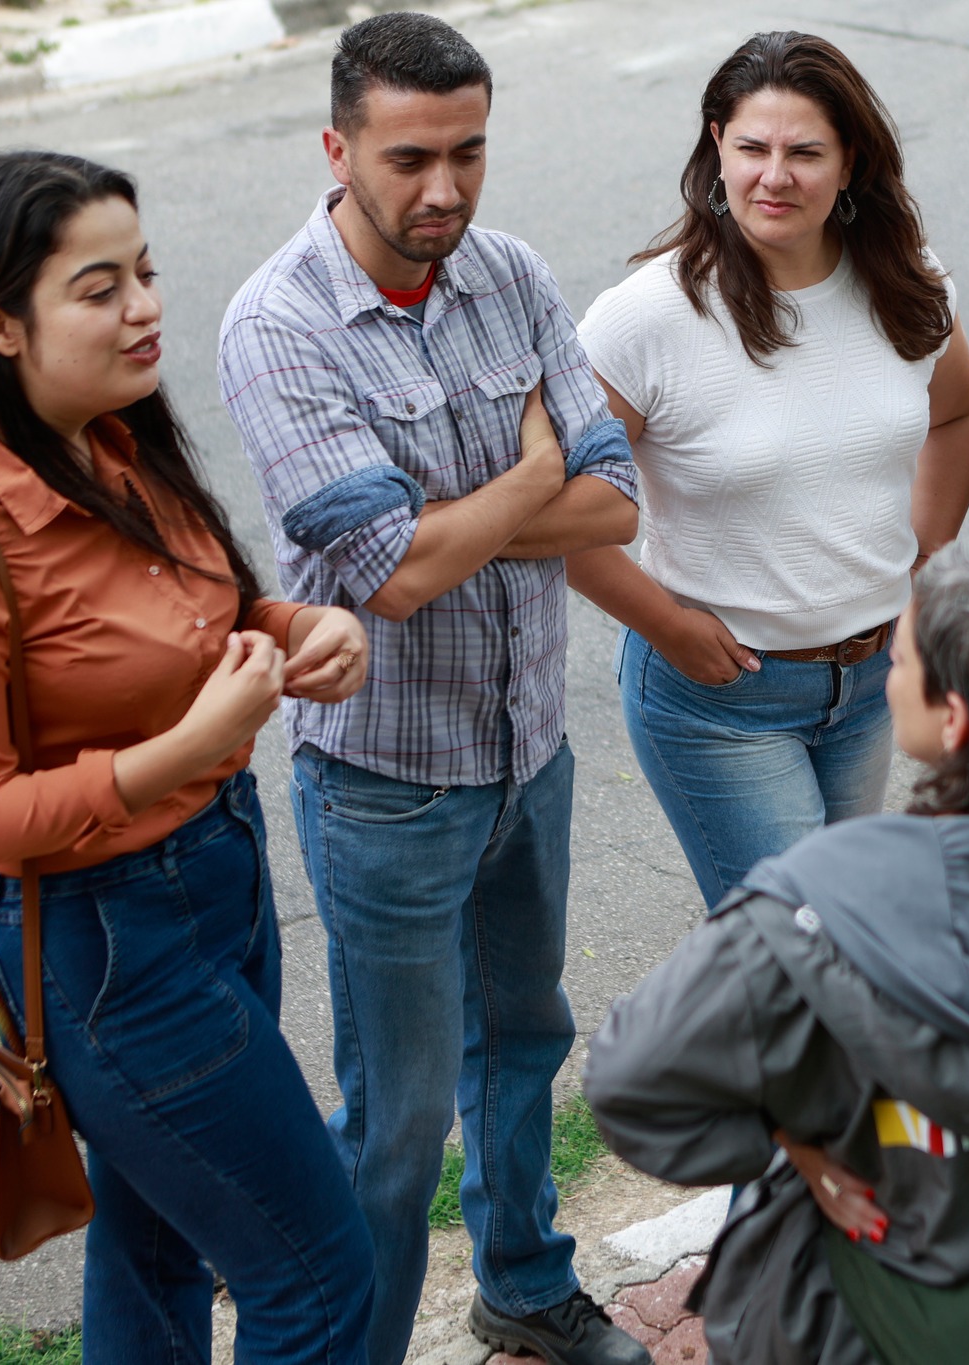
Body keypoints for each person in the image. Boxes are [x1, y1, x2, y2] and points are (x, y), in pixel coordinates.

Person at [0, 150, 374, 1364]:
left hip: (215, 887)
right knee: (319, 1276)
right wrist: (184, 748)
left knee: (155, 1255)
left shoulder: (114, 439)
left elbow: (215, 609)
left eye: (144, 273)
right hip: (103, 949)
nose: (145, 308)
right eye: (99, 289)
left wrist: (299, 630)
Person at [216, 15, 647, 1365]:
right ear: (337, 149)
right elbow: (390, 576)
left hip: (527, 752)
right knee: (395, 1119)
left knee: (526, 1042)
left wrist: (457, 519)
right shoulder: (277, 322)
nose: (445, 188)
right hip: (387, 786)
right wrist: (527, 482)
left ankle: (522, 1278)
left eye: (469, 152)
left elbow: (618, 503)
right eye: (411, 157)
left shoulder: (508, 274)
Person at [585, 537, 969, 1364]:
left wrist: (793, 1145)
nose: (886, 659)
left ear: (953, 718)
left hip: (865, 1320)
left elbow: (630, 1083)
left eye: (905, 651)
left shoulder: (814, 898)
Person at [570, 30, 969, 909]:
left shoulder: (908, 283)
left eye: (805, 152)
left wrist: (928, 547)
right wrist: (668, 625)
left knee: (830, 951)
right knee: (806, 951)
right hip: (722, 700)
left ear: (851, 165)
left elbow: (957, 413)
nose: (775, 175)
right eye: (753, 147)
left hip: (874, 681)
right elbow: (548, 512)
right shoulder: (648, 316)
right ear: (716, 145)